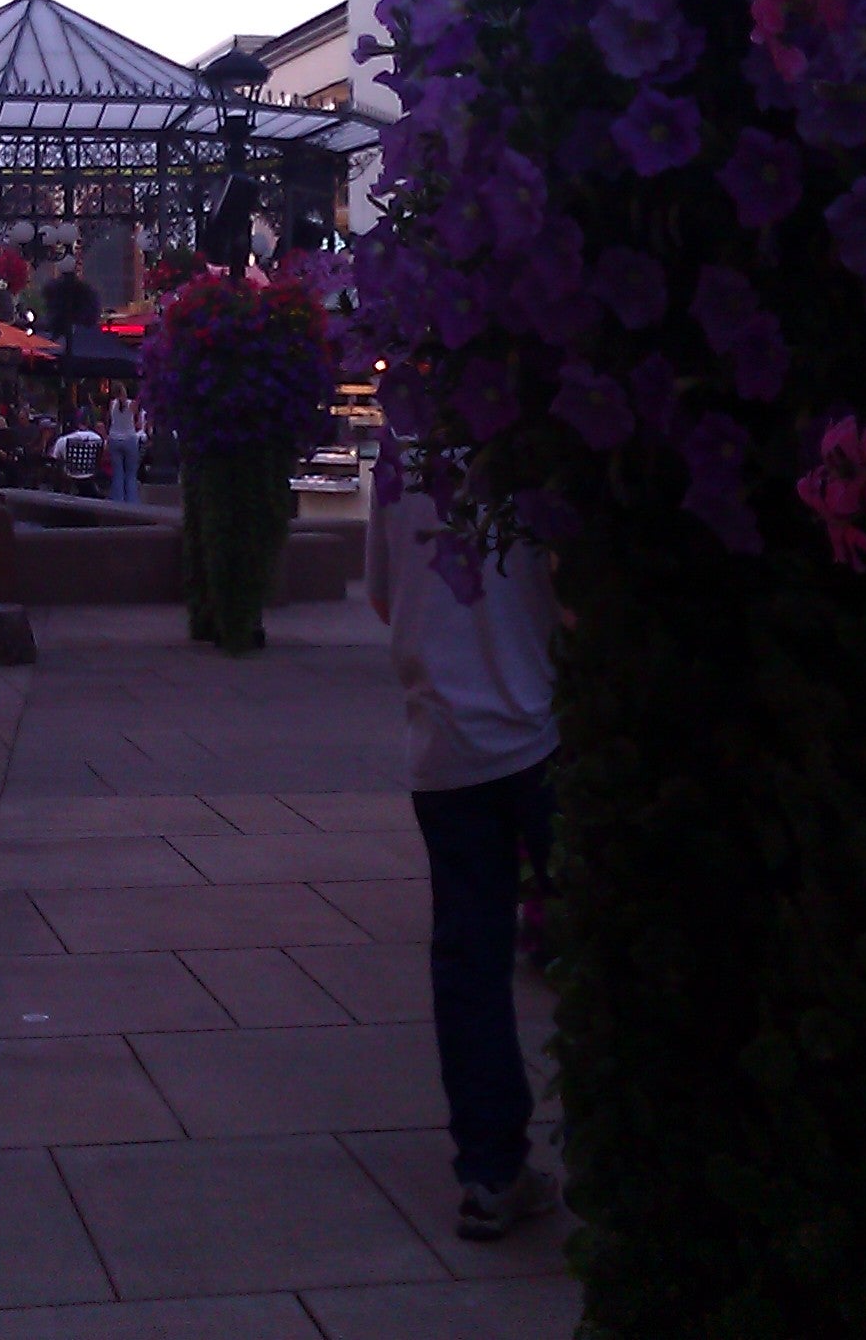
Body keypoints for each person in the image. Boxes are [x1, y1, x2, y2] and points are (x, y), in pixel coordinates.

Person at [366, 478, 559, 1243]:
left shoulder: (397, 453)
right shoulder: (534, 437)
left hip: (444, 738)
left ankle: (490, 1168)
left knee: (469, 957)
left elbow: (385, 597)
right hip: (543, 725)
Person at [106, 391, 145, 504]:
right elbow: (137, 420)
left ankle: (118, 500)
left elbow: (110, 419)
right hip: (129, 439)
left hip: (114, 438)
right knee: (131, 473)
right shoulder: (132, 404)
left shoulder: (111, 404)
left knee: (118, 472)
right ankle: (132, 501)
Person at [53, 416, 106, 496]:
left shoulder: (63, 440)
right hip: (91, 473)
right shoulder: (97, 438)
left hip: (70, 473)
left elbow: (56, 457)